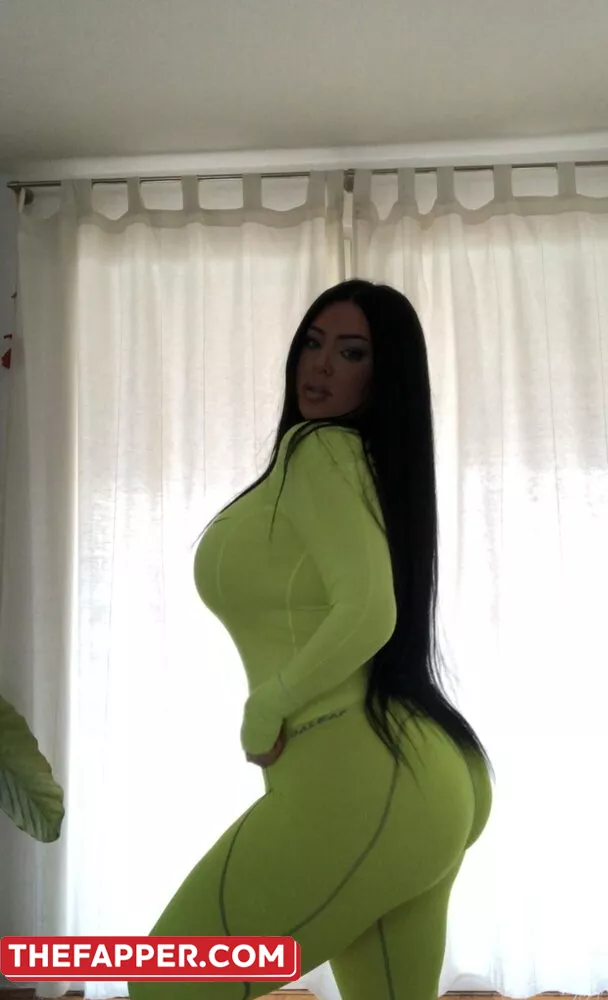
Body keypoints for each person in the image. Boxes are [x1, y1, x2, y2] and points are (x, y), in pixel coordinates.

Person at [128, 279, 494, 1000]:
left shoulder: (319, 450)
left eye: (352, 353)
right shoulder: (359, 462)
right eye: (313, 344)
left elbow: (370, 610)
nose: (320, 365)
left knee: (163, 984)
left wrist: (268, 704)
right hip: (428, 772)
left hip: (358, 776)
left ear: (383, 375)